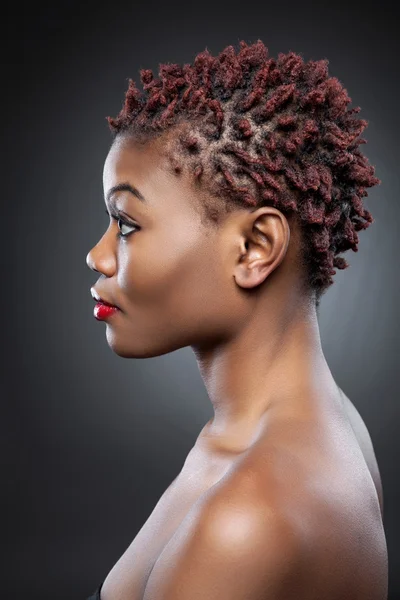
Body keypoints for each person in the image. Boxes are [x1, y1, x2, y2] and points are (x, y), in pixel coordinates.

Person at [85, 39, 388, 600]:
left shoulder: (251, 516)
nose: (98, 256)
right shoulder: (307, 428)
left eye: (126, 223)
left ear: (255, 247)